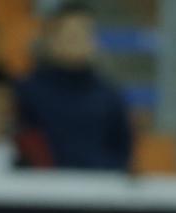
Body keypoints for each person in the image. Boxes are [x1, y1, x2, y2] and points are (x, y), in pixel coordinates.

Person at [17, 1, 133, 171]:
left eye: (86, 33)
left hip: (98, 191)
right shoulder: (26, 92)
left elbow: (121, 152)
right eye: (71, 34)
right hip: (41, 191)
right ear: (50, 39)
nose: (79, 41)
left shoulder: (109, 96)